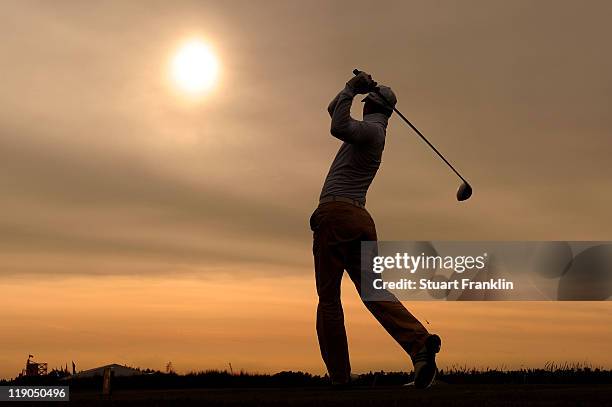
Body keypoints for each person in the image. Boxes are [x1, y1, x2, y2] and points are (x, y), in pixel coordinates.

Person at [309, 71, 441, 389]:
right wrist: (349, 91)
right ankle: (419, 345)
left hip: (336, 215)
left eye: (366, 101)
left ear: (372, 107)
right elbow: (334, 110)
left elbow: (337, 124)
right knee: (373, 292)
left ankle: (339, 376)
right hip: (359, 219)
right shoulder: (372, 133)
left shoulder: (368, 132)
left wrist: (352, 88)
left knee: (328, 299)